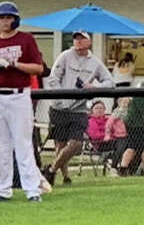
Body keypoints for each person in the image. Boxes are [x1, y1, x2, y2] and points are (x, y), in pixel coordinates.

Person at [0, 1, 46, 202]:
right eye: (2, 18)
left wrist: (14, 64)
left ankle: (32, 190)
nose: (5, 21)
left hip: (19, 95)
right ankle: (3, 190)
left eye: (9, 17)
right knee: (1, 146)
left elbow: (38, 68)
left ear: (16, 19)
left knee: (23, 144)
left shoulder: (26, 39)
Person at [41, 30, 112, 186]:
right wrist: (62, 96)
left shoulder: (95, 62)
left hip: (79, 109)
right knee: (60, 144)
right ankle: (65, 177)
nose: (78, 41)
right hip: (59, 108)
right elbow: (53, 79)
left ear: (89, 42)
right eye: (76, 38)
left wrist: (94, 87)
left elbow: (109, 82)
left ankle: (51, 170)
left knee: (76, 144)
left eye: (82, 38)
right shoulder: (65, 56)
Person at [87, 101, 126, 173]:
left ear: (104, 109)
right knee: (121, 143)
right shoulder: (91, 121)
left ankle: (121, 167)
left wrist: (111, 135)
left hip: (113, 141)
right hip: (100, 144)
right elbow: (95, 136)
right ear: (92, 111)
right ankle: (114, 167)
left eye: (101, 108)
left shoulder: (108, 119)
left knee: (125, 143)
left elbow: (116, 130)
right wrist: (109, 135)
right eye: (96, 108)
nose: (99, 110)